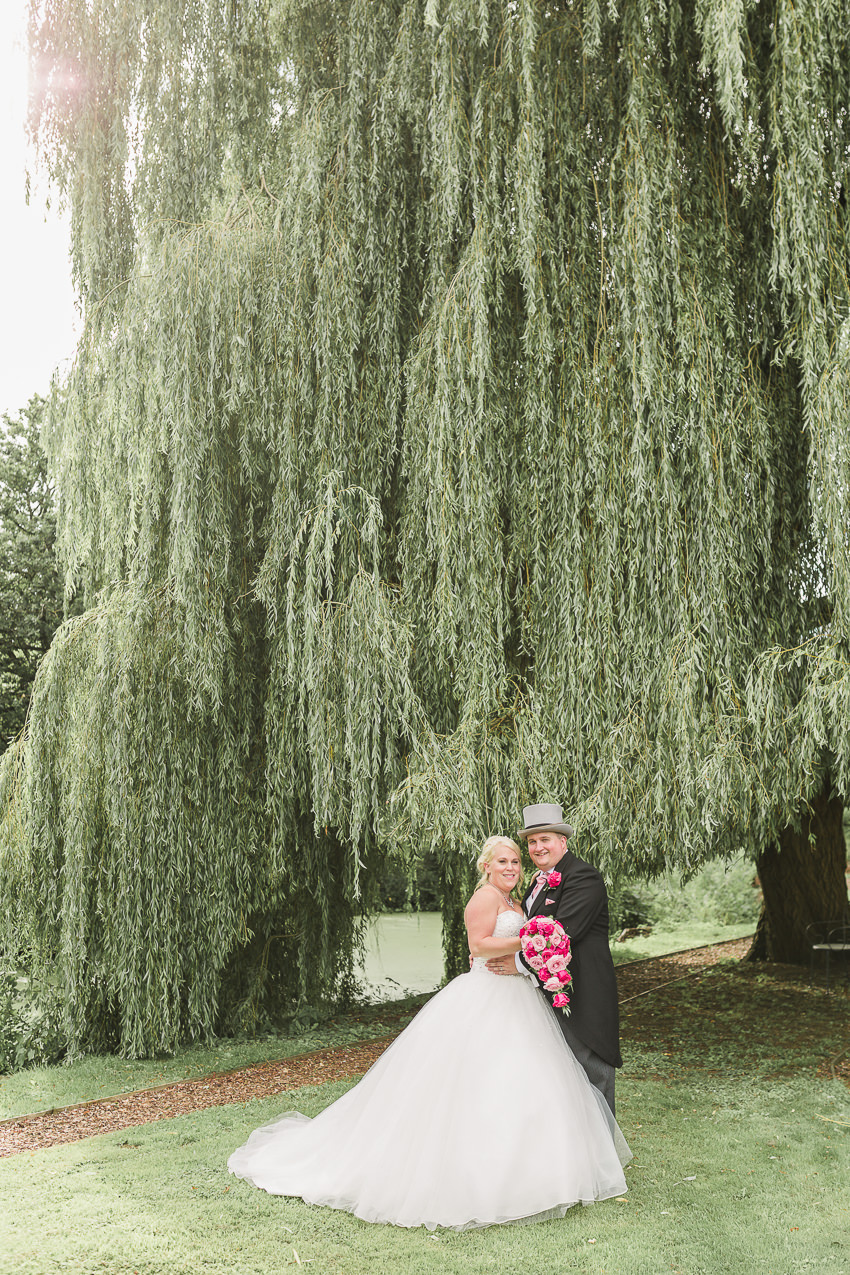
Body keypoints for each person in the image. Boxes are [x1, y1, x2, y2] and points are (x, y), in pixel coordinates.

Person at [227, 834, 631, 1230]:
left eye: (515, 861)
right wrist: (522, 950)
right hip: (489, 992)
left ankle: (538, 1163)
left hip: (521, 995)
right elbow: (478, 944)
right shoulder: (486, 896)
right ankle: (472, 1168)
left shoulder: (521, 898)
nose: (511, 867)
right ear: (485, 865)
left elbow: (546, 935)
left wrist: (524, 957)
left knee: (527, 1078)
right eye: (503, 860)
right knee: (474, 1081)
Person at [486, 803, 622, 1115]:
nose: (538, 847)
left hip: (582, 992)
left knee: (591, 1071)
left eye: (545, 839)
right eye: (532, 842)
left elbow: (562, 933)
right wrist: (490, 949)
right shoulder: (538, 882)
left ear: (562, 841)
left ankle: (601, 1159)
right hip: (545, 993)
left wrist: (517, 964)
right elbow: (527, 931)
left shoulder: (583, 877)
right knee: (558, 1076)